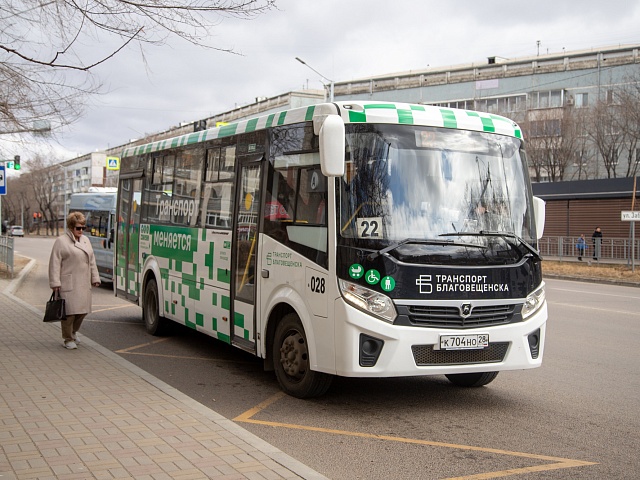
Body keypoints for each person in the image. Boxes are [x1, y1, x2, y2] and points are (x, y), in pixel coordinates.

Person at [49, 212, 101, 349]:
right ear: (71, 227)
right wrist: (55, 283)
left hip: (83, 282)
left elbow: (92, 261)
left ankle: (73, 332)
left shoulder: (85, 240)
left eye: (83, 228)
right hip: (68, 282)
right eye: (78, 228)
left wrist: (95, 278)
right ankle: (68, 339)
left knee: (82, 311)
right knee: (69, 313)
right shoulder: (61, 241)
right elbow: (54, 263)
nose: (81, 231)